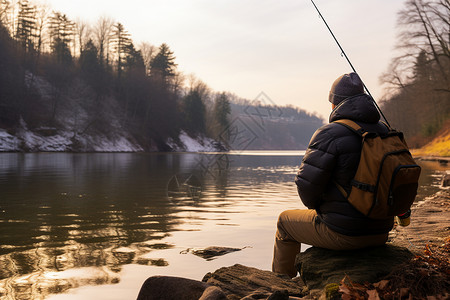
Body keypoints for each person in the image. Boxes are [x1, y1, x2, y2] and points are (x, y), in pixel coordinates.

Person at [272, 72, 394, 278]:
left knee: (284, 222)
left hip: (345, 234)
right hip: (382, 231)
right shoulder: (384, 131)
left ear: (335, 103)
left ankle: (281, 284)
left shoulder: (330, 133)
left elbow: (307, 191)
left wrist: (325, 207)